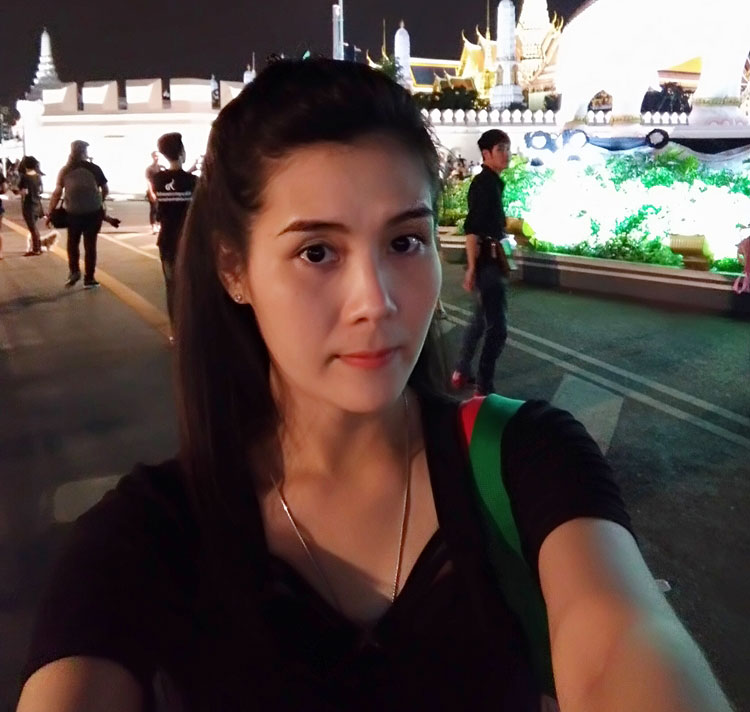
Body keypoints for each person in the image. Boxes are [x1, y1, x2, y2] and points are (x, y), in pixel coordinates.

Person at [17, 60, 732, 712]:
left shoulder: (527, 462)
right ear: (234, 268)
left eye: (404, 242)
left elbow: (617, 648)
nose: (376, 301)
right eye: (317, 252)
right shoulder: (149, 537)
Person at [451, 128, 511, 395]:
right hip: (486, 263)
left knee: (479, 320)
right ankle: (484, 386)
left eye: (507, 148)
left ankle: (461, 371)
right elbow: (472, 229)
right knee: (497, 328)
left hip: (490, 259)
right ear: (486, 154)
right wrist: (472, 268)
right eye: (501, 149)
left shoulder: (493, 182)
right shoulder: (483, 184)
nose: (507, 154)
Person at [46, 140, 108, 289]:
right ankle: (89, 279)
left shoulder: (65, 170)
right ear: (84, 152)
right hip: (93, 213)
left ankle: (74, 271)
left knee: (72, 243)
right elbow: (106, 189)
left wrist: (50, 212)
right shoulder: (94, 168)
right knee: (90, 246)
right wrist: (99, 201)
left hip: (73, 213)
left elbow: (57, 193)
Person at [151, 132, 198, 327]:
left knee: (172, 287)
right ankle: (192, 328)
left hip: (166, 241)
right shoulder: (194, 182)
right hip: (190, 241)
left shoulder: (157, 179)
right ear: (181, 152)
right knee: (192, 287)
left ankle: (175, 330)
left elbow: (159, 205)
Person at [145, 151, 163, 234]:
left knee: (160, 208)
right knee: (154, 208)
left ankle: (158, 224)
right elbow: (148, 181)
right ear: (152, 157)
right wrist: (151, 192)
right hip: (153, 190)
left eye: (158, 156)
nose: (157, 158)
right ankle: (153, 225)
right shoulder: (149, 169)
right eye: (155, 156)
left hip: (161, 191)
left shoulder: (162, 167)